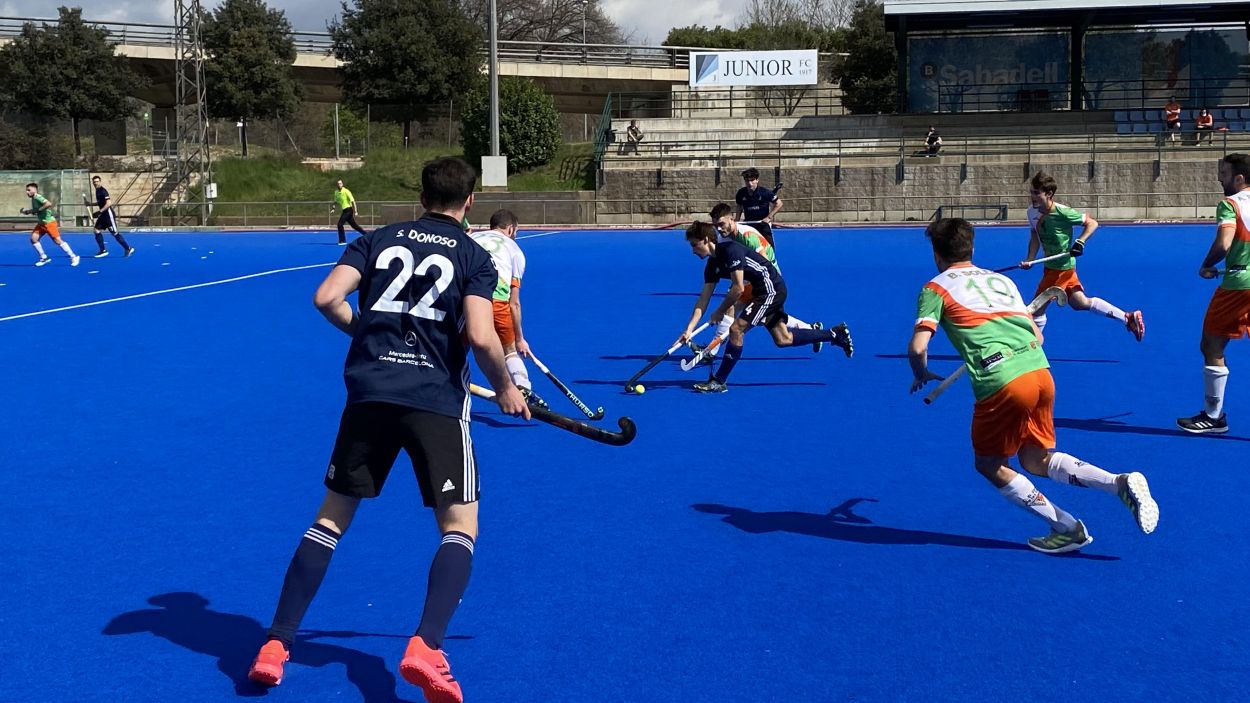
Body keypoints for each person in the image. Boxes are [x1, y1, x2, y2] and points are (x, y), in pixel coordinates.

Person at [247, 157, 530, 703]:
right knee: (459, 527)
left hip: (370, 394)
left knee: (329, 520)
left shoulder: (378, 239)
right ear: (468, 203)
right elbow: (477, 333)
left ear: (420, 196)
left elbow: (327, 297)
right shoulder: (473, 255)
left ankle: (276, 645)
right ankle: (427, 645)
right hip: (436, 402)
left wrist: (365, 335)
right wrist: (507, 388)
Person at [909, 217, 1159, 554]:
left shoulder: (935, 288)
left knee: (989, 464)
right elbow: (1038, 336)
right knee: (1035, 459)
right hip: (1040, 373)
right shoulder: (1002, 281)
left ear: (937, 254)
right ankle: (1119, 484)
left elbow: (918, 347)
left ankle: (1066, 527)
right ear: (971, 247)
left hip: (1002, 383)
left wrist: (920, 372)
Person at [676, 221, 852, 393]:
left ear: (707, 240)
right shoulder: (711, 266)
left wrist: (720, 312)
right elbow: (703, 299)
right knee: (782, 339)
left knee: (736, 329)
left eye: (694, 244)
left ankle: (719, 381)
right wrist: (689, 330)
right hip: (760, 291)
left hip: (771, 289)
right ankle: (835, 334)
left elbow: (738, 288)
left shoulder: (730, 251)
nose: (692, 250)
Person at [692, 203, 822, 361]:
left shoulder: (748, 236)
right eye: (715, 226)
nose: (719, 229)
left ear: (732, 219)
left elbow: (763, 264)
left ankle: (711, 351)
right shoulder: (722, 236)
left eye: (721, 224)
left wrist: (739, 285)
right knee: (764, 320)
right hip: (749, 276)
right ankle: (812, 330)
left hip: (768, 279)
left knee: (741, 312)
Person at [1023, 171, 1144, 341]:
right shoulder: (1031, 212)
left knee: (1036, 309)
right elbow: (1035, 236)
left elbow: (1092, 223)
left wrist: (1080, 242)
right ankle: (1127, 317)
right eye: (1031, 192)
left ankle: (1033, 349)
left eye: (1037, 193)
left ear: (1049, 194)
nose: (1032, 196)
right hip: (1051, 267)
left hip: (1061, 270)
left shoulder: (1063, 212)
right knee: (1080, 303)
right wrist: (1030, 258)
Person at [1177, 153, 1250, 434]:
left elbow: (1224, 242)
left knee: (1211, 346)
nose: (1219, 178)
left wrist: (1207, 265)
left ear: (1239, 178)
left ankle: (1214, 416)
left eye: (1224, 173)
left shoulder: (1230, 204)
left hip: (1238, 286)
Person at [469, 208, 548, 409]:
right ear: (511, 229)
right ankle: (523, 389)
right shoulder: (514, 250)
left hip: (463, 298)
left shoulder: (472, 238)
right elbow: (514, 303)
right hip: (496, 300)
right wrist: (520, 339)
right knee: (509, 350)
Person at [21, 183, 78, 267]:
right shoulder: (33, 199)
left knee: (58, 241)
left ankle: (73, 256)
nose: (27, 192)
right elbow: (36, 210)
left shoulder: (38, 197)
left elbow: (48, 204)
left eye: (29, 190)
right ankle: (44, 257)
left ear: (35, 190)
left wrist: (39, 210)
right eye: (26, 190)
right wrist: (28, 211)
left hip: (49, 223)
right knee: (33, 239)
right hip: (41, 223)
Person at [734, 167, 782, 250]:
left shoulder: (765, 192)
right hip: (749, 225)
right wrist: (736, 220)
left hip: (763, 225)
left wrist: (768, 217)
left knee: (770, 249)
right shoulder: (741, 193)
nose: (750, 183)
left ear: (757, 180)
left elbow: (779, 203)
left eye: (752, 180)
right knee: (747, 249)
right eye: (747, 181)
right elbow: (739, 206)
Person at [90, 175, 134, 258]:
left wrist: (99, 212)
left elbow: (108, 203)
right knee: (96, 230)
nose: (95, 183)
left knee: (115, 233)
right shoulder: (97, 191)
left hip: (108, 215)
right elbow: (100, 202)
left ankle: (128, 248)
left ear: (100, 181)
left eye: (97, 181)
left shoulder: (103, 191)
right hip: (103, 216)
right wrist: (91, 204)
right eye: (94, 182)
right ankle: (103, 250)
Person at [333, 179, 368, 245]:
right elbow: (335, 201)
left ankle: (342, 241)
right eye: (338, 183)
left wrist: (356, 211)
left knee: (340, 224)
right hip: (344, 210)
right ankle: (366, 234)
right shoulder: (336, 192)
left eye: (340, 183)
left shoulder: (346, 191)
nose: (339, 185)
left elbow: (353, 201)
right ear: (336, 185)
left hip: (349, 210)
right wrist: (333, 208)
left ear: (342, 184)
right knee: (354, 225)